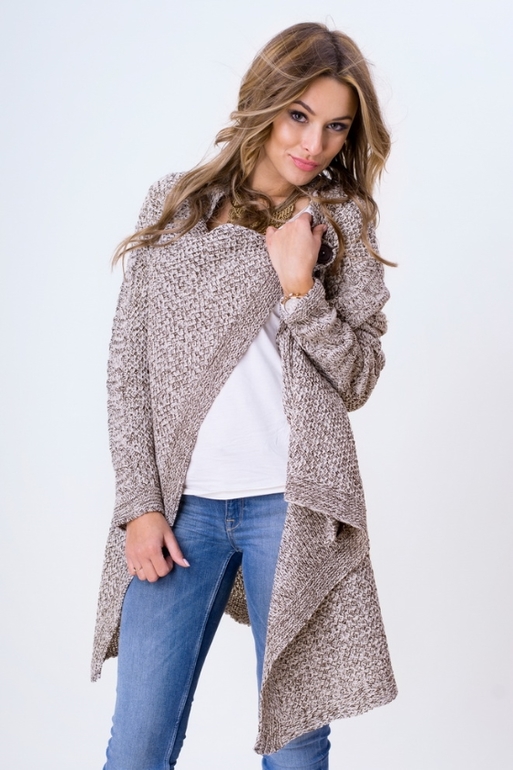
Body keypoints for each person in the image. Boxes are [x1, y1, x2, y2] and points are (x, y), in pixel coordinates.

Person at [92, 21, 398, 770]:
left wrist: (300, 292)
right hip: (180, 510)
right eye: (299, 115)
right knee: (138, 745)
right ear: (264, 101)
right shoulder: (175, 207)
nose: (314, 144)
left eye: (336, 127)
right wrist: (139, 506)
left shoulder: (337, 224)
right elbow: (129, 369)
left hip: (294, 506)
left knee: (295, 744)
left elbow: (358, 377)